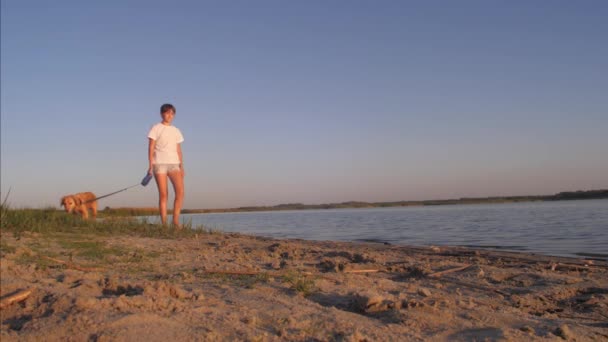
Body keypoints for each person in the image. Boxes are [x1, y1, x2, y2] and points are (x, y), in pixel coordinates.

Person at [147, 103, 185, 227]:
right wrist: (150, 165)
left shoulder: (176, 130)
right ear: (162, 114)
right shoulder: (156, 127)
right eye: (167, 112)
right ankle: (164, 224)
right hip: (159, 164)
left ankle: (175, 221)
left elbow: (178, 149)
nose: (170, 115)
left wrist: (181, 166)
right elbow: (151, 147)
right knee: (164, 195)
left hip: (174, 164)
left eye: (172, 113)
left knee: (180, 192)